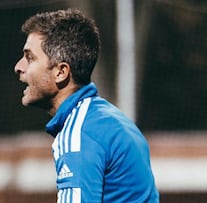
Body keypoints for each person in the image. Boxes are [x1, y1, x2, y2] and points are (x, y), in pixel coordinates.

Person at [14, 8, 159, 203]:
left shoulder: (79, 132)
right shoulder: (108, 119)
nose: (19, 67)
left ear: (61, 72)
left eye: (29, 57)